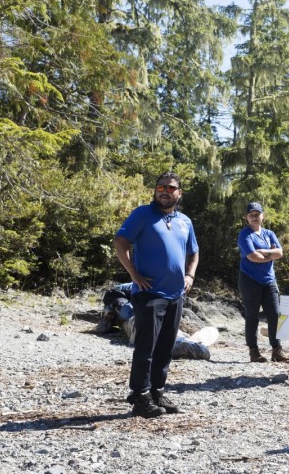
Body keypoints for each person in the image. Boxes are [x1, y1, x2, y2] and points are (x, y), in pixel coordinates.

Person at [114, 172, 199, 418]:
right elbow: (121, 242)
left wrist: (190, 275)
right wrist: (133, 274)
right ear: (155, 191)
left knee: (165, 346)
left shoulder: (185, 221)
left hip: (176, 294)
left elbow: (194, 251)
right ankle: (140, 397)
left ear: (179, 193)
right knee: (146, 347)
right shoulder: (143, 214)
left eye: (171, 188)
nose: (165, 191)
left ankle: (157, 392)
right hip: (148, 293)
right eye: (160, 187)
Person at [237, 202, 289, 363]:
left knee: (275, 315)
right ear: (246, 217)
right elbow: (254, 257)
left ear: (263, 216)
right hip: (249, 279)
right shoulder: (244, 235)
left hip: (269, 280)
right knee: (252, 316)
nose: (254, 217)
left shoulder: (269, 233)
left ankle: (277, 350)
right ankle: (254, 352)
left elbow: (280, 253)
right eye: (251, 214)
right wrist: (269, 253)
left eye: (257, 214)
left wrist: (264, 252)